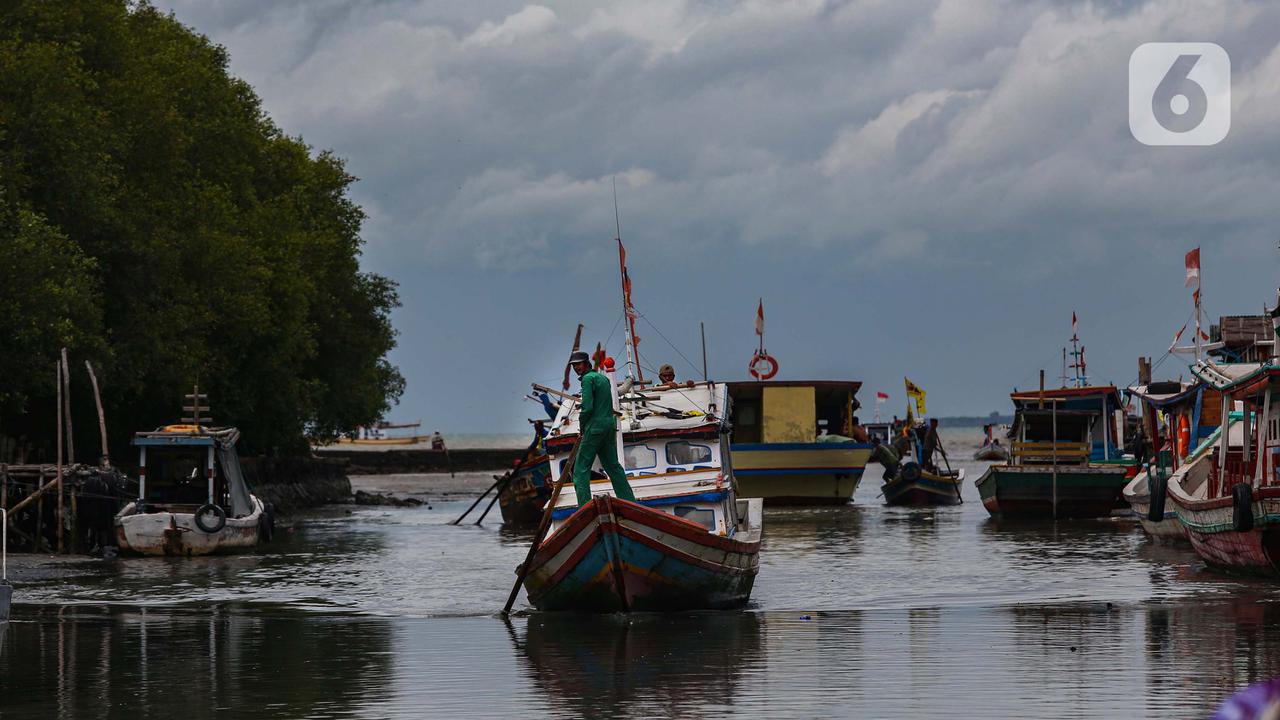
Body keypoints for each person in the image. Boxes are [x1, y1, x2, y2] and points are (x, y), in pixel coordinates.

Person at [569, 350, 636, 506]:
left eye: (578, 364)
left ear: (586, 364)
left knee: (580, 471)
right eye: (574, 365)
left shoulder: (587, 379)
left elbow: (587, 407)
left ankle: (585, 507)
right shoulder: (603, 378)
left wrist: (582, 425)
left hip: (594, 429)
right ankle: (630, 502)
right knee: (613, 467)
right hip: (608, 427)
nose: (576, 368)